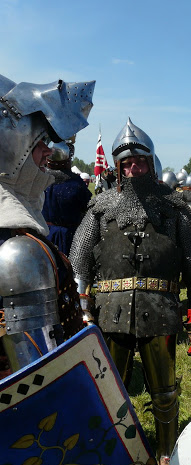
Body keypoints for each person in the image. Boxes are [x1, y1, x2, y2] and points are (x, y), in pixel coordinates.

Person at [69, 117, 191, 465]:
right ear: (117, 167)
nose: (132, 167)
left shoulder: (175, 209)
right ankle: (116, 452)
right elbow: (79, 263)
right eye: (125, 163)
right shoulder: (100, 207)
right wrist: (82, 310)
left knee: (164, 391)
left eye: (138, 161)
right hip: (110, 314)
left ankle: (165, 455)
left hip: (160, 311)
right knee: (113, 391)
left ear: (150, 162)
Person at [0, 73, 95, 375]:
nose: (48, 151)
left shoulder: (22, 218)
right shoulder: (11, 239)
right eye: (39, 141)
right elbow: (33, 368)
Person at [42, 141, 92, 255]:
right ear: (67, 159)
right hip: (70, 236)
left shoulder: (39, 179)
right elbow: (87, 209)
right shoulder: (76, 183)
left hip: (44, 234)